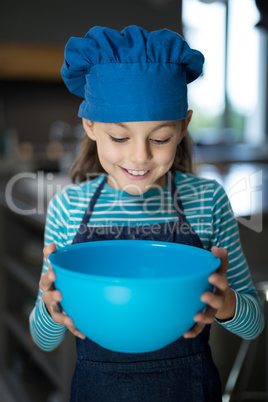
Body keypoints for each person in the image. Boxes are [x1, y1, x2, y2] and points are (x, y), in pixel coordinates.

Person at [29, 26, 264, 401]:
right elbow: (43, 338)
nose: (140, 157)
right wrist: (49, 306)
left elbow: (254, 325)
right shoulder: (69, 207)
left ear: (183, 127)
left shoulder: (207, 200)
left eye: (159, 139)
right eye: (120, 138)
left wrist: (227, 304)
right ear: (90, 126)